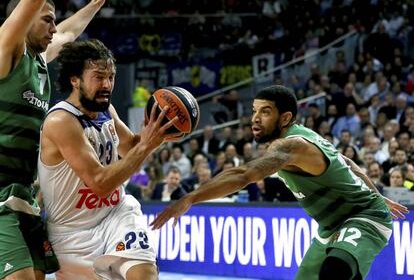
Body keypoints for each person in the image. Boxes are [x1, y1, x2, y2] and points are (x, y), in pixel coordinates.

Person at [151, 85, 409, 280]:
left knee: (336, 269)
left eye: (265, 112)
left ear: (285, 118)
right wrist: (376, 193)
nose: (255, 118)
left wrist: (189, 198)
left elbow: (243, 175)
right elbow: (348, 164)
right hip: (330, 227)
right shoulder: (305, 137)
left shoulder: (292, 146)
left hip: (364, 216)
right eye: (254, 111)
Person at [38, 39, 180, 279]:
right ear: (75, 79)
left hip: (116, 214)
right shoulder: (61, 121)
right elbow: (100, 183)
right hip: (71, 235)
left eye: (111, 77)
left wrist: (161, 133)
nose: (107, 84)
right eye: (99, 77)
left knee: (144, 273)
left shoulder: (105, 109)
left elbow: (132, 147)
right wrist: (147, 144)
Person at [0, 0, 110, 279]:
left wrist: (94, 5)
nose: (53, 27)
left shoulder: (39, 62)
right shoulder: (7, 49)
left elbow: (66, 34)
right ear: (26, 16)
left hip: (22, 193)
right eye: (47, 19)